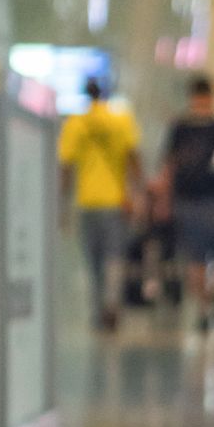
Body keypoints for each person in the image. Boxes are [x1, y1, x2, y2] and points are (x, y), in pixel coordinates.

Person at [158, 75, 214, 331]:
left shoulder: (179, 129)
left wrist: (163, 200)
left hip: (190, 203)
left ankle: (205, 306)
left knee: (196, 260)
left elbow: (168, 169)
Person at [58, 77, 142, 332]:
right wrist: (138, 193)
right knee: (114, 256)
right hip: (115, 201)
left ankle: (98, 308)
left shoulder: (76, 123)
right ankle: (112, 303)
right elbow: (133, 158)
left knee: (93, 260)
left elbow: (66, 167)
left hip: (87, 201)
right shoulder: (121, 119)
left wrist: (62, 204)